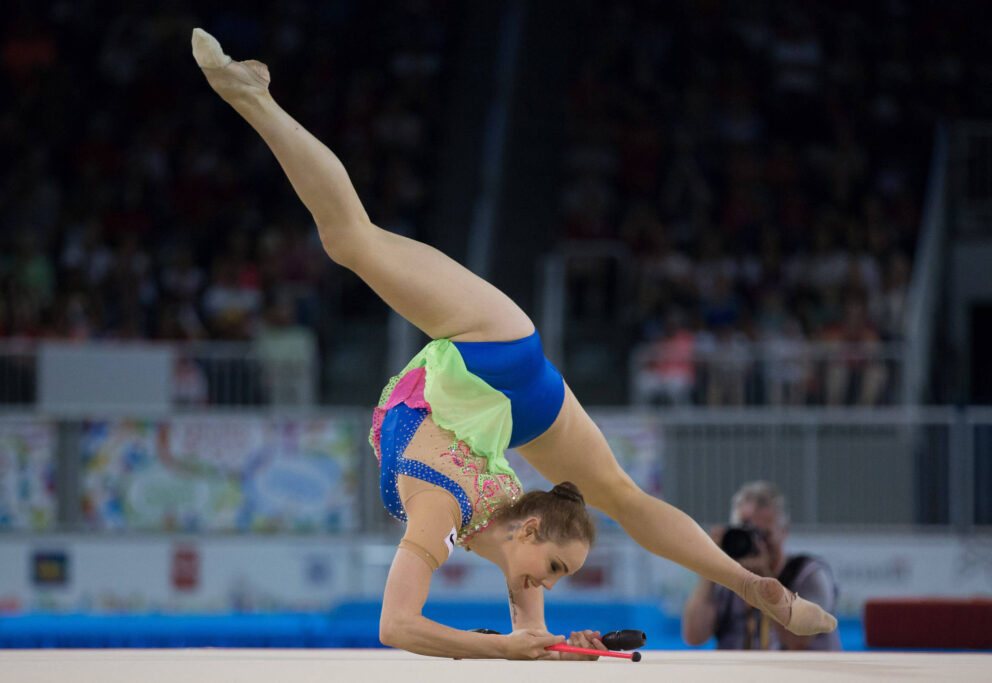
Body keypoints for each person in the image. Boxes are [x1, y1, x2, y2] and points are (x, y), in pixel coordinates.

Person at [192, 29, 837, 660]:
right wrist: (511, 648)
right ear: (530, 529)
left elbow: (524, 631)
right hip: (488, 352)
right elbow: (401, 627)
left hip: (503, 400)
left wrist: (553, 647)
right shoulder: (482, 511)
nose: (547, 585)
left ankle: (754, 586)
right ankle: (254, 97)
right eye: (555, 567)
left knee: (625, 499)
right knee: (349, 241)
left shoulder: (510, 529)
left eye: (557, 577)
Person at [681, 481, 842, 650]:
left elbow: (798, 640)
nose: (755, 542)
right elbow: (694, 636)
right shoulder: (729, 576)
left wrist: (764, 582)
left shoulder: (808, 574)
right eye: (746, 531)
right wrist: (710, 565)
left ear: (784, 531)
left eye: (763, 534)